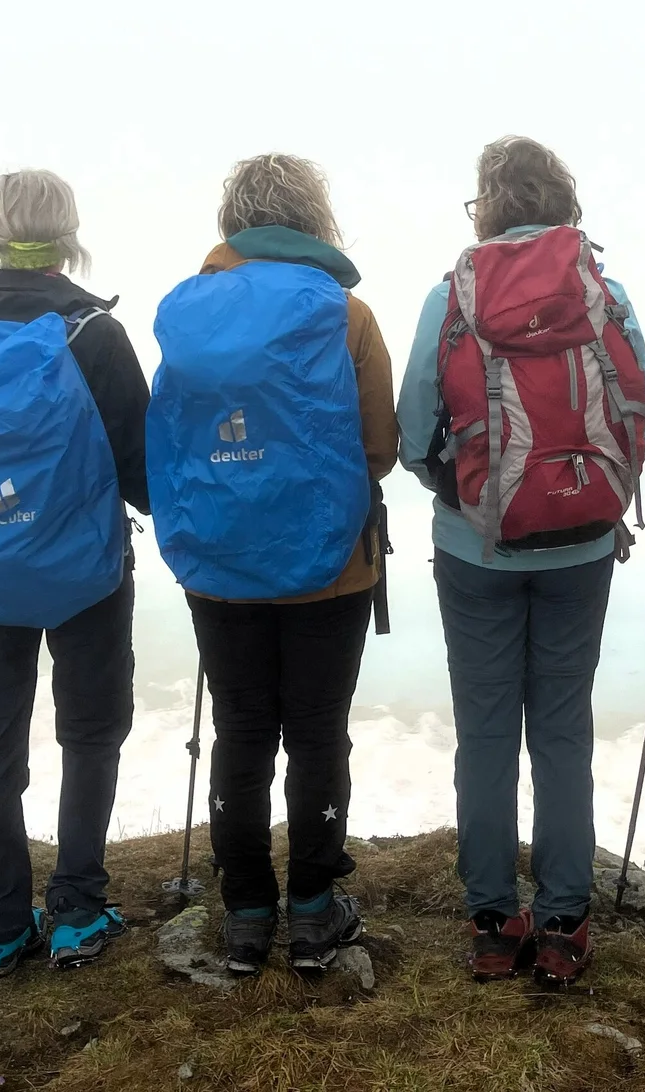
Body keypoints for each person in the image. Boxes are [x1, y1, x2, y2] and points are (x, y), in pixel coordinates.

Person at [396, 136, 645, 987]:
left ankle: (491, 923)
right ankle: (565, 924)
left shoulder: (451, 299)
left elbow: (410, 433)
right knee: (562, 729)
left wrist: (472, 495)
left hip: (476, 548)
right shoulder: (605, 296)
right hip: (582, 545)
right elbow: (637, 412)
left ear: (488, 206)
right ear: (565, 202)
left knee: (486, 734)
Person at [156, 154, 396, 975]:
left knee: (243, 729)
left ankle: (248, 915)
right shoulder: (347, 314)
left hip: (218, 561)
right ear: (311, 219)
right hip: (331, 565)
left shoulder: (188, 315)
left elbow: (174, 437)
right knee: (318, 730)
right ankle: (315, 913)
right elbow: (380, 448)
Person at [0, 170, 151, 977]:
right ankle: (78, 909)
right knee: (88, 732)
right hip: (81, 570)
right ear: (68, 235)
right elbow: (139, 468)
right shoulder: (92, 336)